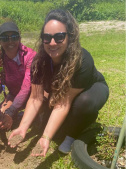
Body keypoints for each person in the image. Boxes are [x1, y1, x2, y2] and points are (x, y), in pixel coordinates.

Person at [8, 9, 109, 156]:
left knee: (83, 103)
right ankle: (73, 120)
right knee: (52, 127)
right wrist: (23, 127)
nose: (52, 43)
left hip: (92, 88)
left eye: (59, 37)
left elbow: (63, 103)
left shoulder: (82, 60)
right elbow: (36, 98)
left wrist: (45, 136)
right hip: (62, 94)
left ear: (70, 37)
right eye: (47, 37)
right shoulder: (39, 62)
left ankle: (73, 134)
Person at [0, 22, 36, 139]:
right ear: (0, 42)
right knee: (0, 118)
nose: (10, 41)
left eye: (14, 37)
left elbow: (26, 87)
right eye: (5, 38)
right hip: (14, 95)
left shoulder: (30, 56)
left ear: (20, 38)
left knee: (10, 114)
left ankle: (32, 115)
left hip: (35, 96)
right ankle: (17, 115)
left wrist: (11, 112)